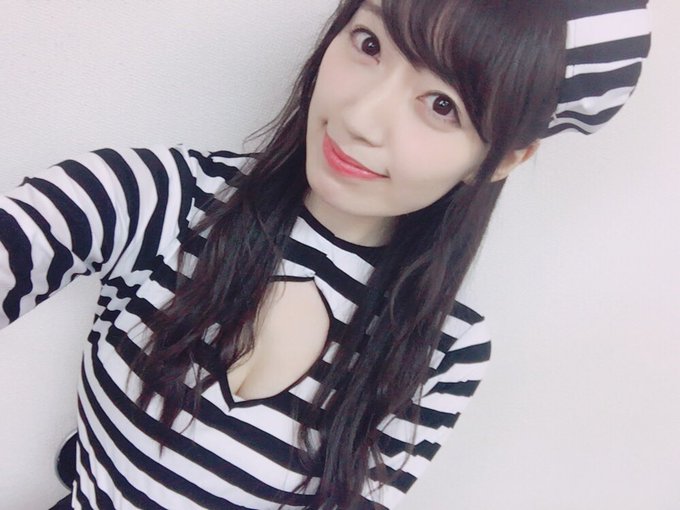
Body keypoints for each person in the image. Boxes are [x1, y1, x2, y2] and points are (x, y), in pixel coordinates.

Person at [0, 1, 651, 509]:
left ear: (503, 157)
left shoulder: (444, 350)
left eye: (441, 105)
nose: (361, 117)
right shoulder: (163, 200)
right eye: (368, 44)